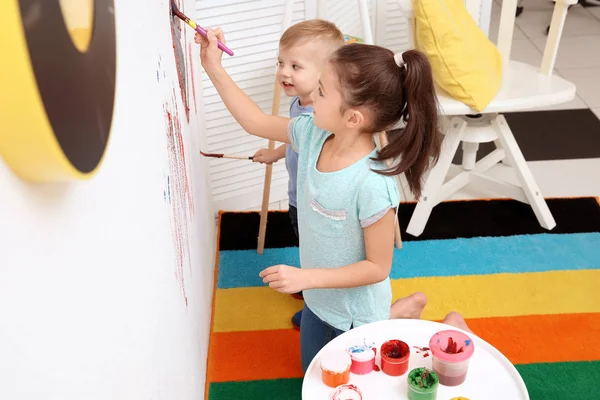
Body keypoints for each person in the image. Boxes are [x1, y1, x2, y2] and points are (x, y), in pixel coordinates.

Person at [196, 27, 443, 372]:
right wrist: (213, 66)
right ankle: (401, 311)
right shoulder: (312, 132)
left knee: (343, 384)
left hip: (356, 316)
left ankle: (396, 313)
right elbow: (255, 122)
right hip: (317, 300)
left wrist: (306, 278)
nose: (312, 95)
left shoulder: (372, 185)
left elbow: (377, 268)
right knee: (311, 372)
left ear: (352, 118)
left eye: (322, 91)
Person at [251, 20, 345, 328]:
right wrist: (275, 154)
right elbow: (296, 140)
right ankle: (311, 287)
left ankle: (318, 308)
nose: (284, 72)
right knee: (306, 249)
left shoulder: (322, 116)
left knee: (317, 256)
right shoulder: (298, 103)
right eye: (281, 63)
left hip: (316, 206)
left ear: (325, 74)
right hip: (297, 198)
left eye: (295, 65)